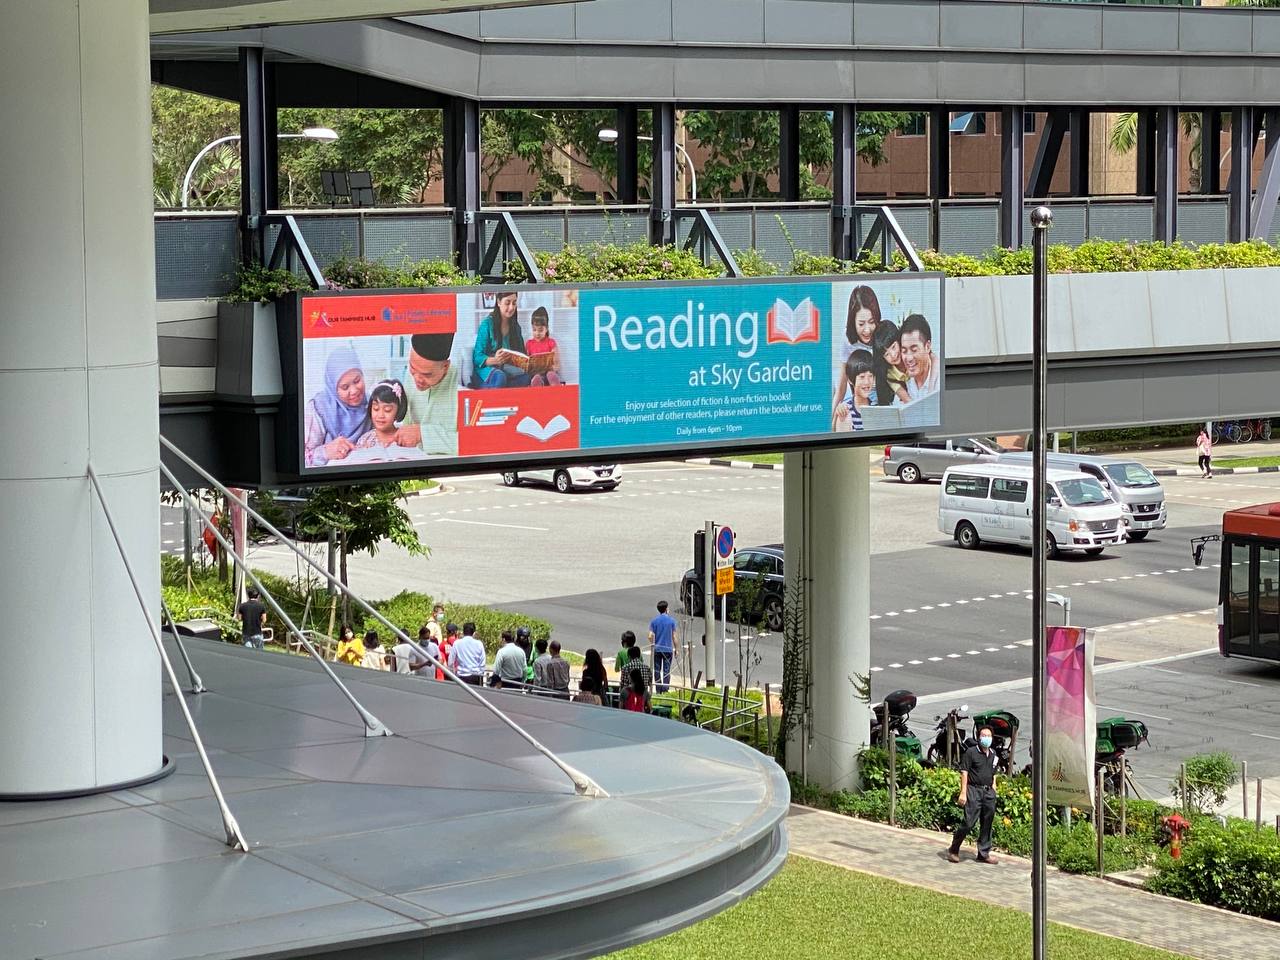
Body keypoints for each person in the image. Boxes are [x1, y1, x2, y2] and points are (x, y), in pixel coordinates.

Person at [394, 333, 459, 457]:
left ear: (445, 367)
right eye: (412, 368)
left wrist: (422, 434)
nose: (417, 379)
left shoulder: (463, 384)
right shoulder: (410, 376)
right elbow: (407, 425)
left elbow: (478, 443)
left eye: (427, 375)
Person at [304, 343, 369, 467]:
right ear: (333, 388)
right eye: (345, 387)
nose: (354, 391)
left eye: (357, 381)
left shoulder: (372, 403)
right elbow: (301, 458)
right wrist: (326, 452)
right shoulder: (319, 408)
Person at [947, 726, 999, 864]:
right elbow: (964, 772)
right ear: (978, 737)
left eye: (988, 735)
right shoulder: (971, 752)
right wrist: (963, 792)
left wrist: (994, 789)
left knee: (987, 822)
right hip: (973, 790)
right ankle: (954, 849)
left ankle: (983, 853)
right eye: (983, 735)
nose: (986, 738)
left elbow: (994, 773)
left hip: (988, 792)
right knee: (969, 822)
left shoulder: (994, 754)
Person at [832, 285, 881, 415]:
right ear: (852, 321)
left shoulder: (883, 335)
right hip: (859, 406)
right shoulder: (848, 339)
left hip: (883, 405)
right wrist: (829, 424)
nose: (867, 329)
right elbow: (841, 386)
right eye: (861, 324)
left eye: (872, 322)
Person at [472, 291, 529, 388]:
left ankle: (502, 390)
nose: (511, 307)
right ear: (498, 302)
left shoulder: (515, 327)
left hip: (507, 369)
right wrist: (495, 360)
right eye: (507, 303)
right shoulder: (486, 325)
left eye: (514, 303)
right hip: (487, 370)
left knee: (527, 377)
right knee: (500, 377)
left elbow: (521, 354)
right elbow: (477, 358)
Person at [354, 379, 409, 452]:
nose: (380, 415)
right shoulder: (365, 440)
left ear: (398, 411)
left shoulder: (405, 438)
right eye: (376, 408)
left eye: (387, 409)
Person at [899, 314, 940, 402]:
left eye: (914, 350)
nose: (909, 358)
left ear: (927, 347)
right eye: (904, 351)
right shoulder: (902, 379)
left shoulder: (940, 381)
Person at [871, 319, 910, 406]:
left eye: (893, 347)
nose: (893, 355)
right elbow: (907, 399)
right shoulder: (889, 374)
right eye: (886, 354)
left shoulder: (910, 355)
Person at [833, 356, 875, 433]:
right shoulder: (845, 411)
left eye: (870, 376)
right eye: (862, 377)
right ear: (850, 380)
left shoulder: (877, 406)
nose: (867, 382)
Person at [525, 307, 563, 387]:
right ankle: (537, 391)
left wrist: (550, 368)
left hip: (550, 371)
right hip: (536, 373)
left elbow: (557, 364)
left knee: (551, 375)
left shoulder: (551, 342)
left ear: (547, 329)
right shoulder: (529, 343)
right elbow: (526, 364)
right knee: (536, 378)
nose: (537, 333)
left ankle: (556, 390)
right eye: (534, 330)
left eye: (540, 330)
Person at [647, 601, 677, 693]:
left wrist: (653, 643)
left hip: (657, 649)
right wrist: (676, 649)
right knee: (666, 670)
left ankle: (658, 689)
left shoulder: (654, 621)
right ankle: (665, 689)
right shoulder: (672, 621)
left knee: (657, 670)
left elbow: (650, 635)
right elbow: (674, 636)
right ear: (666, 609)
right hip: (668, 649)